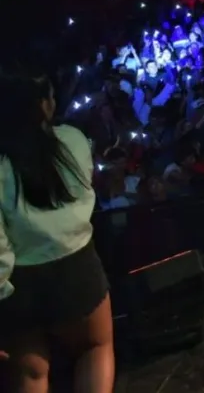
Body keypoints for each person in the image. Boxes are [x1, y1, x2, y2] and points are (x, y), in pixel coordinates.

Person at [0, 74, 115, 392]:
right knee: (95, 349)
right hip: (77, 267)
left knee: (31, 373)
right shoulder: (71, 141)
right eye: (49, 97)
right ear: (41, 105)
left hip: (20, 282)